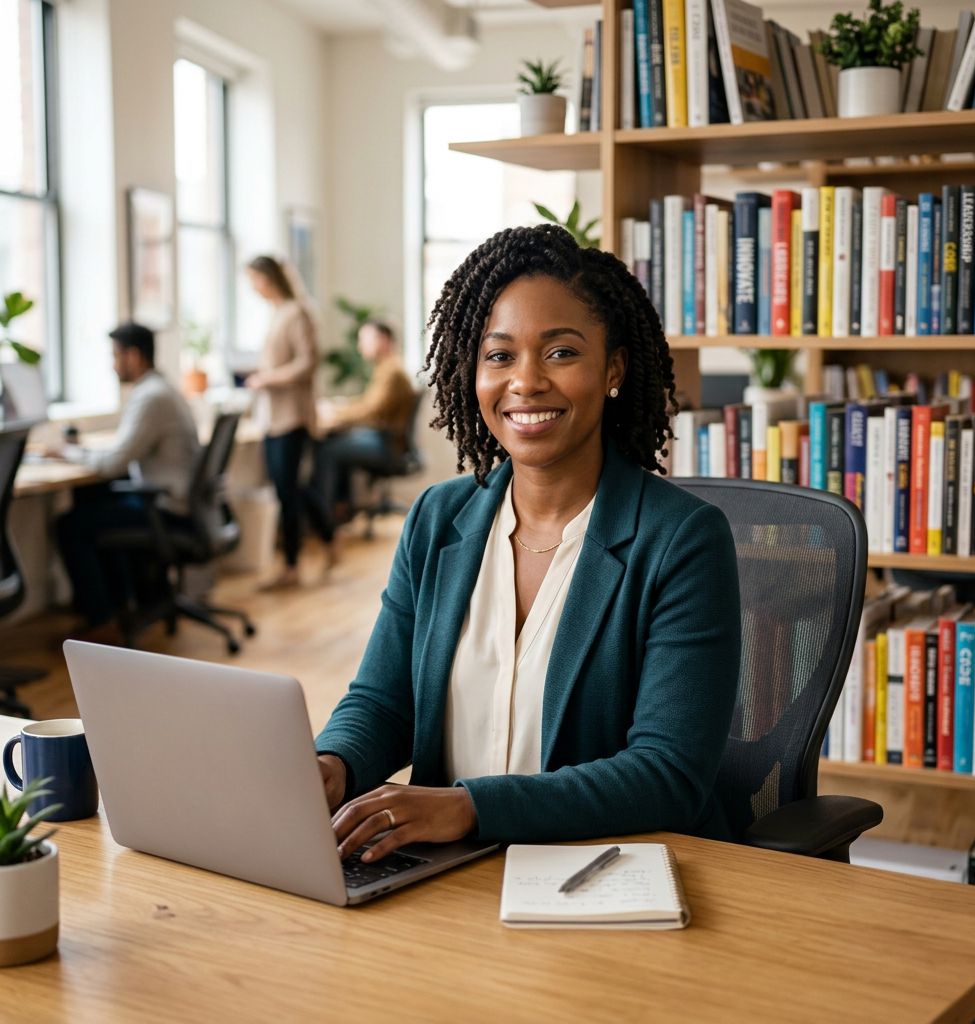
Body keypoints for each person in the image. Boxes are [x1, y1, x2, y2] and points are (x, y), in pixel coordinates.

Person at [315, 224, 742, 865]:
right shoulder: (438, 518)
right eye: (499, 355)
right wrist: (335, 763)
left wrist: (469, 808)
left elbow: (667, 773)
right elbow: (383, 700)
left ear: (614, 369)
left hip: (605, 878)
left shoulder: (681, 540)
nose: (526, 381)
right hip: (444, 879)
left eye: (562, 353)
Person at [55, 322, 199, 628]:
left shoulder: (151, 397)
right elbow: (121, 455)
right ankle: (124, 603)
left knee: (71, 526)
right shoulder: (162, 389)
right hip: (177, 500)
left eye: (115, 356)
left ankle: (102, 619)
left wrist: (68, 452)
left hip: (166, 508)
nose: (112, 365)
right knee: (92, 496)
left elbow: (113, 464)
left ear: (133, 357)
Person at [245, 255, 329, 588]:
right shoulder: (277, 313)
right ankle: (327, 536)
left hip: (291, 416)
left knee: (287, 491)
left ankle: (291, 566)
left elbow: (307, 363)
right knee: (291, 487)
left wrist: (268, 379)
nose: (253, 287)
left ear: (268, 279)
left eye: (255, 279)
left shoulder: (296, 313)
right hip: (271, 417)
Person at [307, 320, 417, 538]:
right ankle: (340, 508)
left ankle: (326, 520)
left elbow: (371, 411)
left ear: (383, 340)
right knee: (335, 443)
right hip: (384, 439)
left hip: (388, 445)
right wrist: (340, 407)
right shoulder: (387, 368)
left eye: (364, 339)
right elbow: (370, 404)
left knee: (328, 449)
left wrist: (336, 413)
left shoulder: (392, 371)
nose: (360, 346)